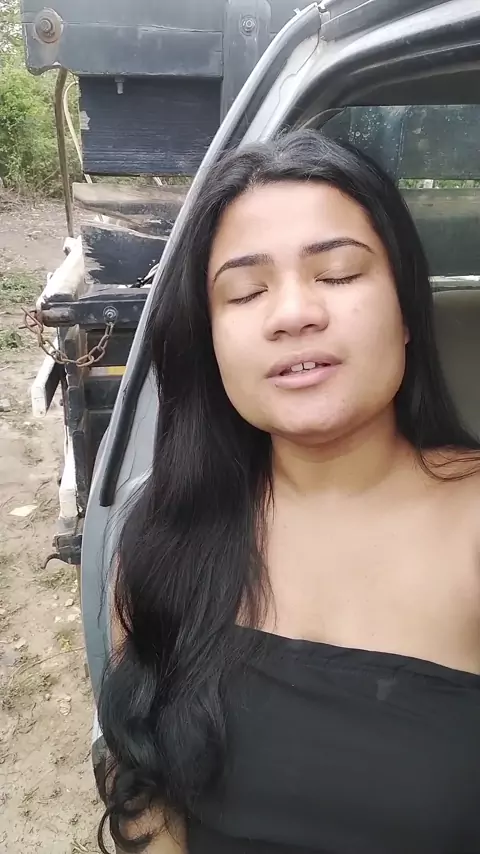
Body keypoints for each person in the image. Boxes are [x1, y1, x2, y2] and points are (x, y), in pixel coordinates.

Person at [97, 130, 480, 854]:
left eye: (337, 273)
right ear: (211, 341)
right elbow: (139, 776)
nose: (293, 313)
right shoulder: (164, 538)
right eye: (246, 291)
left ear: (405, 313)